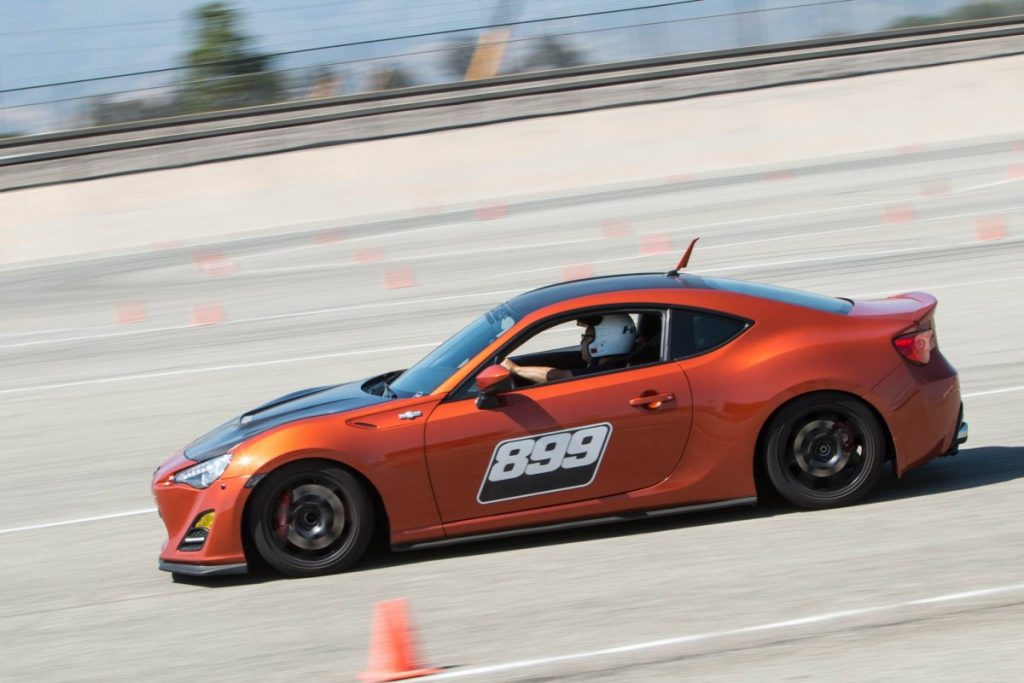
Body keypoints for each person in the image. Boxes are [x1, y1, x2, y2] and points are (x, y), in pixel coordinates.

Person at [501, 314, 637, 384]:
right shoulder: (612, 365)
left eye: (587, 336)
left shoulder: (606, 371)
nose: (582, 341)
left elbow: (555, 376)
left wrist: (515, 369)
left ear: (605, 339)